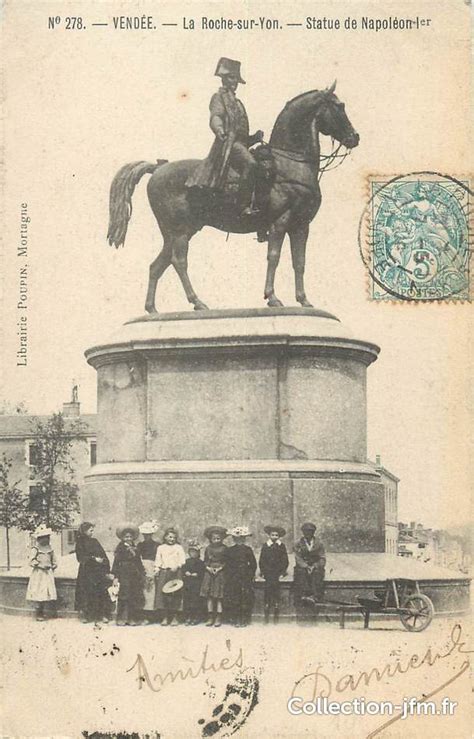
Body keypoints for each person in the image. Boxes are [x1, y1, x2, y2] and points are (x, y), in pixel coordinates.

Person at [186, 57, 264, 216]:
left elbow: (241, 132)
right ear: (224, 79)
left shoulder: (237, 102)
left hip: (240, 144)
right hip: (228, 143)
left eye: (236, 78)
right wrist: (219, 129)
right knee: (251, 164)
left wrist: (254, 138)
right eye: (231, 77)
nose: (234, 82)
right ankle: (243, 206)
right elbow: (216, 116)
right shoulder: (219, 97)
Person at [74, 521, 112, 624]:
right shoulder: (80, 542)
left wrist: (105, 565)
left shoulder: (95, 541)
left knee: (100, 592)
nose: (92, 532)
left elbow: (103, 554)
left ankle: (101, 615)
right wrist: (93, 559)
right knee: (86, 592)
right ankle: (86, 615)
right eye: (90, 530)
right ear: (84, 531)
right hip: (86, 572)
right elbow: (80, 557)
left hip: (97, 571)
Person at [112, 523, 145, 626]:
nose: (128, 538)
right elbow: (116, 562)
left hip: (134, 574)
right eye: (126, 537)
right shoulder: (120, 549)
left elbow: (138, 562)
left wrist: (142, 573)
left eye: (130, 536)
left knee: (133, 595)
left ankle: (132, 618)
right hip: (124, 573)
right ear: (122, 538)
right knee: (124, 596)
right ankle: (122, 618)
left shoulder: (136, 548)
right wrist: (116, 576)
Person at [224, 526, 257, 627]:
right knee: (234, 598)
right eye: (237, 539)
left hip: (245, 576)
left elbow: (253, 564)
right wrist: (229, 576)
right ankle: (235, 618)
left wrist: (250, 575)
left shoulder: (248, 550)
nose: (239, 540)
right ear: (234, 539)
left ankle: (244, 618)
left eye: (242, 538)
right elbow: (227, 564)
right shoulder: (230, 550)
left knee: (245, 598)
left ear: (244, 539)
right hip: (233, 577)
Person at [154, 527, 186, 626]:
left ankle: (175, 617)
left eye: (174, 538)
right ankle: (165, 617)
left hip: (176, 572)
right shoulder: (161, 548)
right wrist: (157, 570)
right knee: (163, 595)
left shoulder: (179, 547)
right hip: (165, 572)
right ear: (165, 537)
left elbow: (183, 560)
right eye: (170, 537)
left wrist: (177, 566)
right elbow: (158, 560)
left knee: (175, 594)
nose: (172, 539)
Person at [293, 522, 326, 618]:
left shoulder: (319, 544)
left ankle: (314, 596)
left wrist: (315, 566)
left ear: (313, 532)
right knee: (301, 573)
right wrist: (306, 566)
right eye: (305, 532)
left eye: (310, 532)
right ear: (303, 533)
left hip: (315, 566)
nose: (308, 534)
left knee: (317, 573)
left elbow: (322, 558)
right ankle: (303, 595)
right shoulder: (298, 544)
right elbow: (298, 558)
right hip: (303, 566)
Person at [26, 524, 58, 621]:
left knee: (46, 592)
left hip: (47, 573)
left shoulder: (50, 549)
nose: (47, 540)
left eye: (48, 537)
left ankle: (44, 611)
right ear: (40, 538)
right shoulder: (35, 549)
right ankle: (38, 612)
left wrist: (53, 565)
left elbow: (54, 561)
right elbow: (31, 561)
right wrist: (40, 565)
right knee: (39, 591)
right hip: (39, 574)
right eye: (44, 538)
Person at [259, 525, 289, 624]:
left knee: (275, 587)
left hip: (277, 572)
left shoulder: (281, 546)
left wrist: (282, 572)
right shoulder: (265, 546)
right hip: (268, 572)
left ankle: (276, 609)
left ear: (279, 536)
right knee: (268, 587)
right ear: (269, 535)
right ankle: (266, 610)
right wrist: (263, 572)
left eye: (276, 535)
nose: (275, 537)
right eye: (273, 535)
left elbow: (285, 560)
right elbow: (262, 560)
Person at [200, 525, 228, 627]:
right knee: (210, 597)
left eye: (218, 538)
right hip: (209, 573)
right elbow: (205, 561)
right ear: (210, 539)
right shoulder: (208, 548)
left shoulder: (224, 548)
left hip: (220, 573)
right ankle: (210, 616)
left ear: (222, 539)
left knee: (219, 596)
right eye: (214, 539)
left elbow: (226, 561)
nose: (216, 540)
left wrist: (220, 568)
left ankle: (218, 617)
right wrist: (208, 568)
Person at [136, 520, 160, 624]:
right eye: (145, 535)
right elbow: (138, 558)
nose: (147, 537)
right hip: (143, 568)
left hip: (153, 567)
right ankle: (144, 615)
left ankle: (153, 616)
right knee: (144, 592)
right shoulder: (140, 545)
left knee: (152, 592)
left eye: (149, 535)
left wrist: (155, 570)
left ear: (152, 534)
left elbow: (159, 558)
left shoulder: (157, 545)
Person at [182, 538, 206, 625]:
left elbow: (202, 571)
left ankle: (196, 617)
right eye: (192, 552)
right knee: (187, 600)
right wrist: (186, 572)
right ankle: (188, 617)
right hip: (188, 583)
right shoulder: (186, 561)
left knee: (196, 601)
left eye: (195, 552)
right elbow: (183, 569)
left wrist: (197, 574)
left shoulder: (200, 562)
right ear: (189, 552)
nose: (193, 554)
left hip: (196, 584)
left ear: (198, 553)